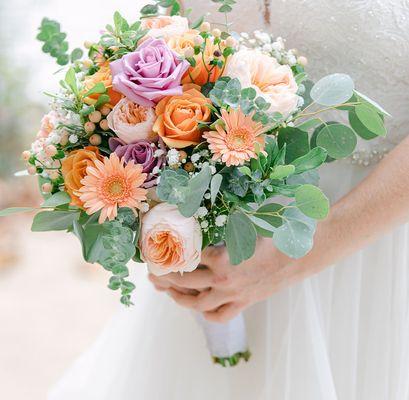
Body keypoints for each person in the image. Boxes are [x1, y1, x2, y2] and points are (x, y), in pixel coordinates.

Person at [50, 1, 409, 398]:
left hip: (372, 246)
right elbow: (181, 57)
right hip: (230, 247)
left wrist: (295, 258)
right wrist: (158, 226)